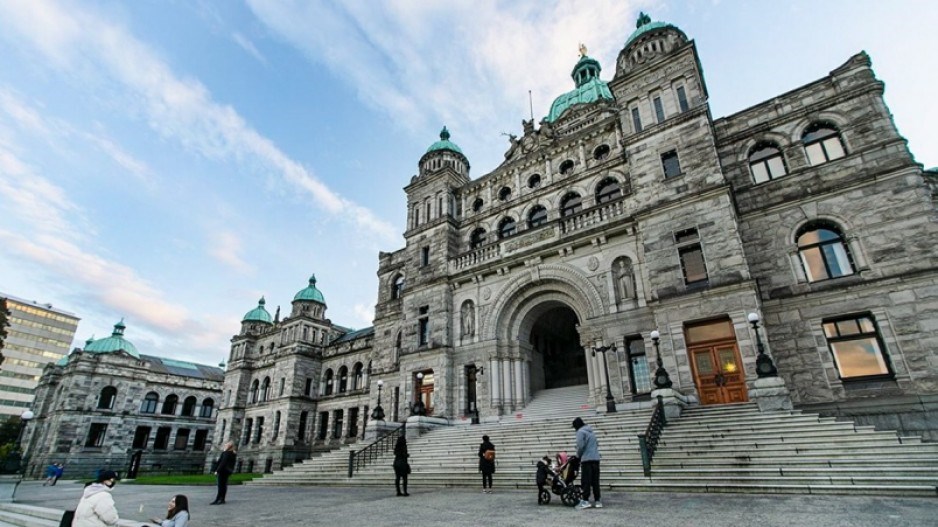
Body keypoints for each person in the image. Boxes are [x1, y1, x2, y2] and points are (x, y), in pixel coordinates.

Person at [572, 417, 602, 509]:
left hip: (587, 460)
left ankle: (585, 500)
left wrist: (577, 456)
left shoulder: (580, 432)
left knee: (586, 481)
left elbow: (580, 446)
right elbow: (596, 443)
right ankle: (597, 501)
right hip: (596, 459)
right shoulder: (591, 431)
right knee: (595, 481)